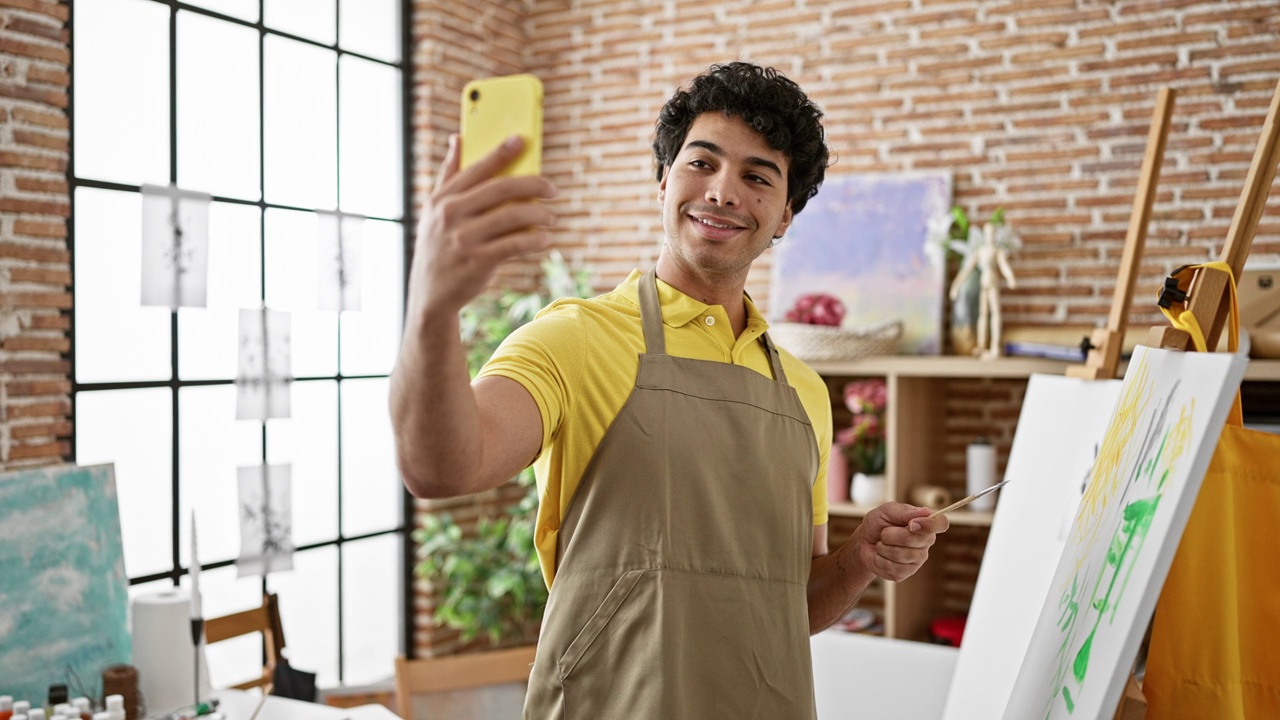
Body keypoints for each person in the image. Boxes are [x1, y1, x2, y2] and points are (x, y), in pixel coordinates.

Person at [390, 61, 950, 719]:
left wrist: (860, 560)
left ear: (786, 215)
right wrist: (432, 308)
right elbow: (438, 468)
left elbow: (786, 604)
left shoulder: (803, 390)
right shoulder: (574, 339)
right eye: (701, 163)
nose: (722, 191)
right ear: (662, 182)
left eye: (757, 177)